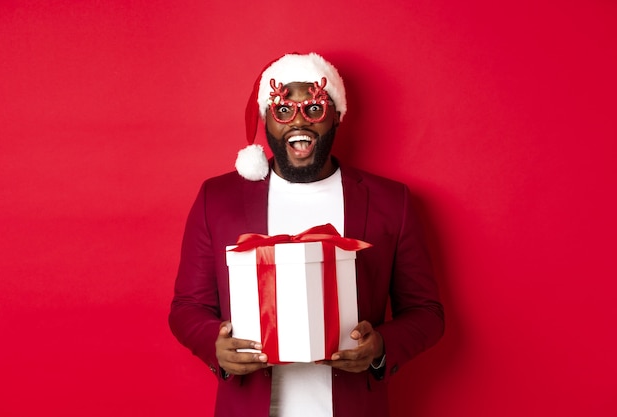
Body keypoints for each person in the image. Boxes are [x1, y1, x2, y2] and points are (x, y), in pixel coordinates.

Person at [169, 52, 444, 417]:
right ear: (267, 119)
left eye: (313, 108)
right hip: (249, 406)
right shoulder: (217, 199)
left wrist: (379, 347)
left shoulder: (392, 202)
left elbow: (427, 312)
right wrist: (215, 346)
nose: (299, 121)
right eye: (283, 110)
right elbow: (187, 308)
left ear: (336, 116)